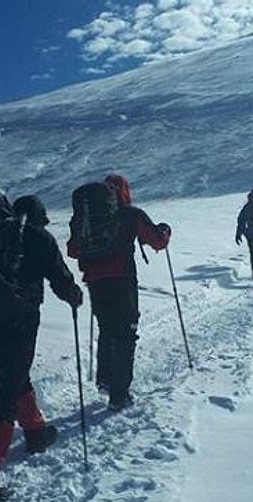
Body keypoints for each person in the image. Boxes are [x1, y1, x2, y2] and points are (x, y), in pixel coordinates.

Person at [0, 194, 83, 502]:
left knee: (15, 375)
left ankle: (35, 432)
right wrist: (74, 296)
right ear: (40, 218)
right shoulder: (40, 238)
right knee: (7, 388)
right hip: (20, 320)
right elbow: (61, 280)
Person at [67, 173, 171, 412]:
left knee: (107, 328)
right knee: (125, 333)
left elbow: (73, 250)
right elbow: (158, 242)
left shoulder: (86, 214)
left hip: (94, 281)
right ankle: (119, 395)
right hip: (122, 279)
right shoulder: (130, 214)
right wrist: (165, 231)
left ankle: (105, 379)